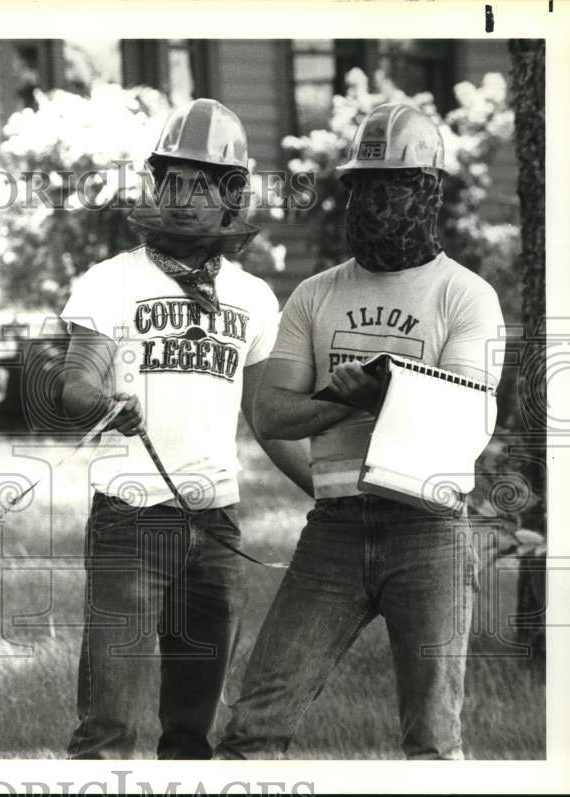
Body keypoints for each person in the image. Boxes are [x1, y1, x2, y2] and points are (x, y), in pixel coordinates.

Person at [214, 103, 505, 760]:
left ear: (428, 192)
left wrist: (377, 388)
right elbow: (272, 413)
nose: (376, 203)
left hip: (429, 531)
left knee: (432, 741)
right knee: (252, 728)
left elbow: (462, 424)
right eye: (363, 188)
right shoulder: (315, 296)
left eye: (394, 187)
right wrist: (345, 400)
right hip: (336, 531)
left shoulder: (466, 297)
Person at [59, 98, 313, 759]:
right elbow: (73, 382)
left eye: (200, 183)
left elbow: (268, 415)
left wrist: (331, 487)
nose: (181, 196)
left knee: (192, 730)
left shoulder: (254, 299)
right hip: (130, 520)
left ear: (231, 195)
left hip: (216, 526)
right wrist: (104, 402)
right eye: (171, 178)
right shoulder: (108, 283)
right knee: (108, 726)